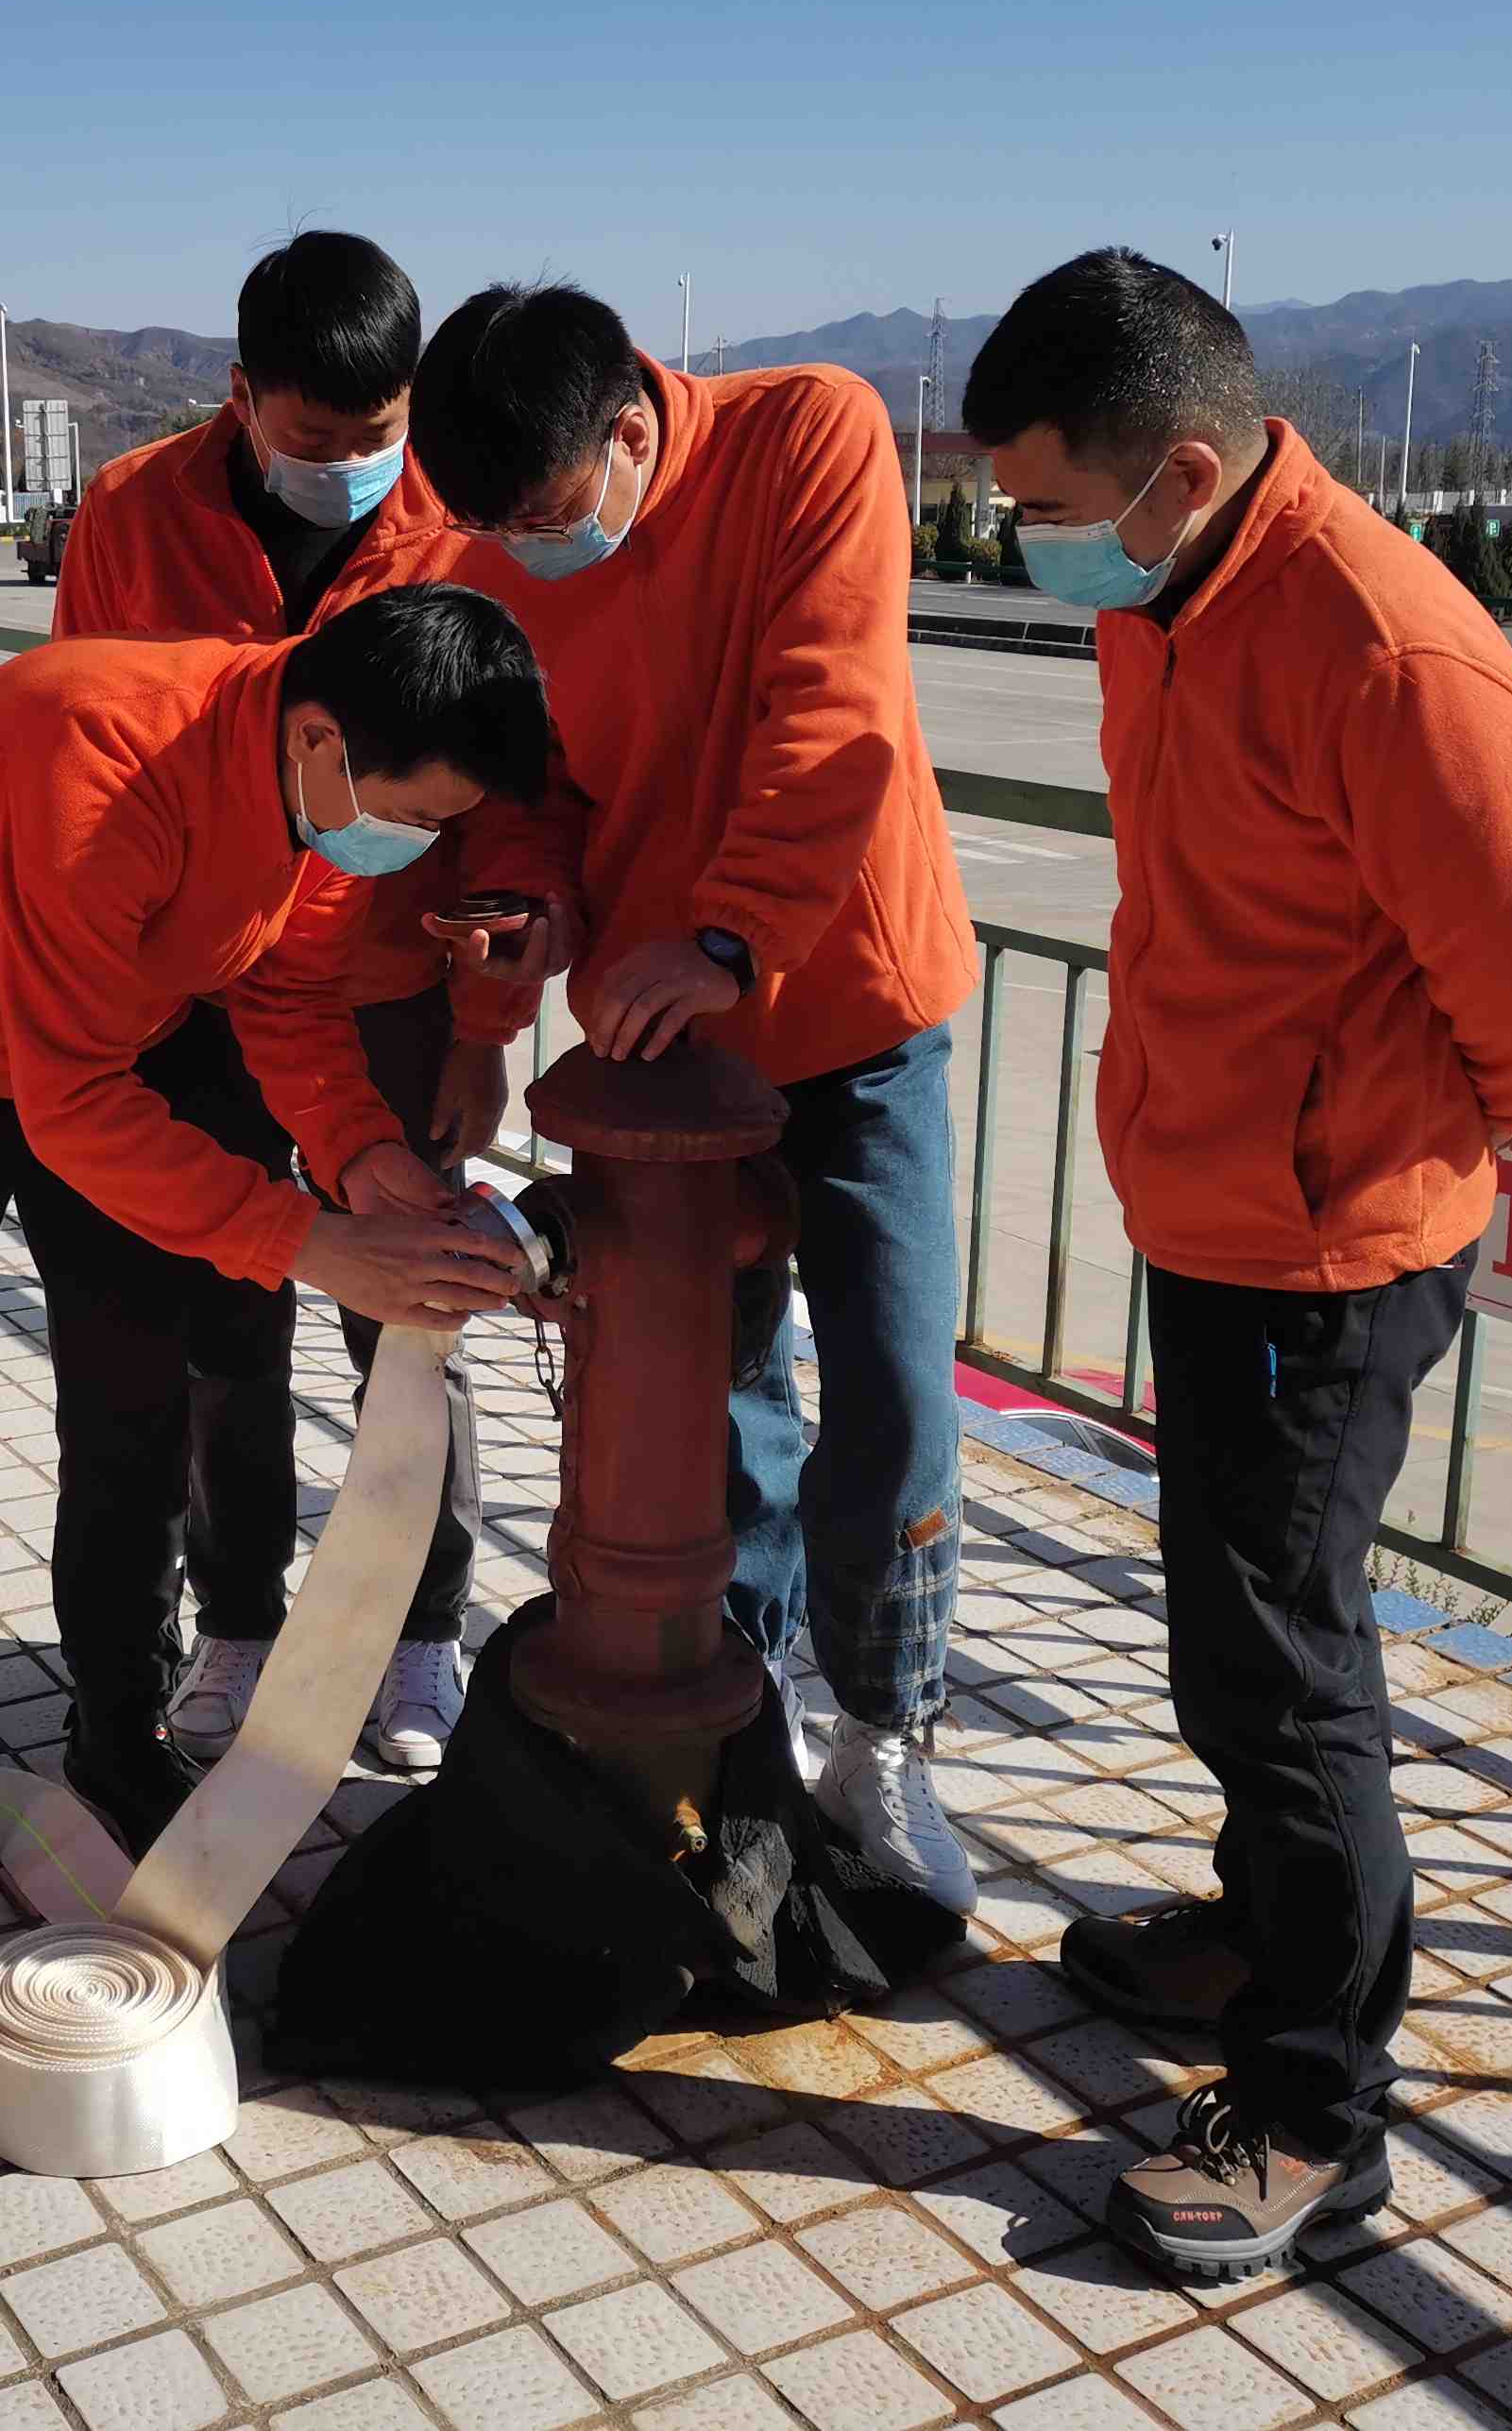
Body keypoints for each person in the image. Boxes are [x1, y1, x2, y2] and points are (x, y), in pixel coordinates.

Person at [961, 248, 1512, 2281]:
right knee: (1230, 1642)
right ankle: (1263, 1933)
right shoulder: (1169, 601)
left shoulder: (1385, 652)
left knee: (1281, 1675)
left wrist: (1383, 1134)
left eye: (1049, 509)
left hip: (1331, 1247)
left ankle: (1316, 2107)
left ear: (1181, 471)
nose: (1031, 547)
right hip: (1219, 1206)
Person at [0, 586, 551, 1851]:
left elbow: (288, 999)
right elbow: (69, 1104)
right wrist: (311, 1242)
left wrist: (361, 1159)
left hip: (120, 1046)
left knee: (131, 1402)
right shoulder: (99, 757)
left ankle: (120, 1720)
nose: (414, 850)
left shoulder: (321, 787)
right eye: (414, 819)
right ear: (320, 740)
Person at [408, 284, 983, 1914]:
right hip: (665, 1047)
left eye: (548, 518)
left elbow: (832, 709)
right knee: (709, 1399)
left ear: (631, 430)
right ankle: (748, 1702)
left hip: (848, 1003)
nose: (530, 557)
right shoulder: (497, 558)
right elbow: (526, 794)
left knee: (893, 1388)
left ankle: (886, 1734)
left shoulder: (811, 435)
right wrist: (523, 926)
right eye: (498, 532)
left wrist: (730, 934)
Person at [52, 232, 558, 1776]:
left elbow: (511, 789)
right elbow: (89, 732)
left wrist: (484, 1028)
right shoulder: (133, 511)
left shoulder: (456, 522)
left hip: (388, 984)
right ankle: (241, 1622)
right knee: (228, 1324)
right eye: (314, 437)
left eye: (378, 434)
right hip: (193, 984)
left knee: (410, 1309)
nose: (350, 467)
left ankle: (422, 1628)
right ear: (241, 398)